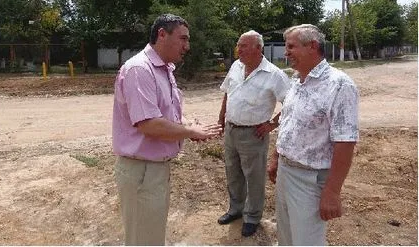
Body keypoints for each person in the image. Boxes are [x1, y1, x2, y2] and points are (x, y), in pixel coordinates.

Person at [112, 14, 222, 246]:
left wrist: (186, 123)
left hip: (154, 170)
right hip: (142, 170)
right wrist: (191, 131)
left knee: (151, 235)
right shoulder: (139, 69)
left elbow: (165, 112)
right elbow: (149, 124)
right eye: (183, 39)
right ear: (162, 34)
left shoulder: (164, 69)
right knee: (144, 239)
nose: (187, 46)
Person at [267, 24, 359, 246]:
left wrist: (332, 191)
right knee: (286, 235)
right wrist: (276, 158)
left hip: (310, 179)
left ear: (312, 46)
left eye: (291, 46)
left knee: (307, 241)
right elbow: (289, 122)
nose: (286, 52)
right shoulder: (297, 81)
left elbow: (345, 142)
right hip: (286, 172)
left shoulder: (339, 85)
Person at [217, 30, 291, 237]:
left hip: (254, 134)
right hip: (232, 130)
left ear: (258, 48)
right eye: (238, 45)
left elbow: (292, 103)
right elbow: (227, 92)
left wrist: (271, 125)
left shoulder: (274, 74)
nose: (238, 49)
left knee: (254, 177)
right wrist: (221, 117)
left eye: (243, 46)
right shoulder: (236, 66)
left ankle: (252, 217)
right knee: (233, 173)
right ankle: (236, 209)